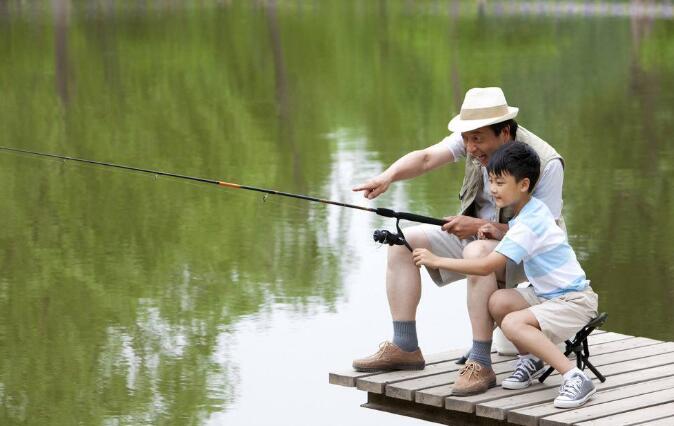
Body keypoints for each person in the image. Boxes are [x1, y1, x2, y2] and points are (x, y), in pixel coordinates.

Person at [351, 87, 565, 396]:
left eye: (477, 139)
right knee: (402, 241)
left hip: (530, 255)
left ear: (504, 132)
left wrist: (477, 226)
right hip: (476, 239)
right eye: (466, 139)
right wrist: (387, 177)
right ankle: (405, 346)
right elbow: (425, 159)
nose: (470, 146)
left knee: (478, 250)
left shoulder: (546, 163)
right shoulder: (473, 139)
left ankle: (480, 362)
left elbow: (543, 234)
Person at [413, 141, 599, 408]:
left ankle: (575, 377)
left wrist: (437, 259)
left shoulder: (529, 221)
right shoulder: (529, 211)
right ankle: (531, 359)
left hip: (573, 301)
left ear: (523, 185)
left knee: (512, 323)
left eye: (500, 182)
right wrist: (499, 230)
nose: (493, 189)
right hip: (548, 296)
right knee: (498, 301)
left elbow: (487, 266)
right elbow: (520, 233)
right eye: (491, 181)